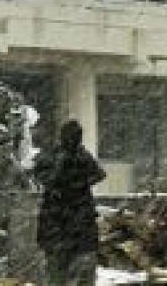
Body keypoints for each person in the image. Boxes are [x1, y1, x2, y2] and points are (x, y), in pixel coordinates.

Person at [34, 120, 106, 286]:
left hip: (74, 225)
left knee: (74, 272)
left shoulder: (81, 156)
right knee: (59, 273)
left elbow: (98, 174)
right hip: (60, 223)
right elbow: (43, 176)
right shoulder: (55, 155)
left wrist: (77, 185)